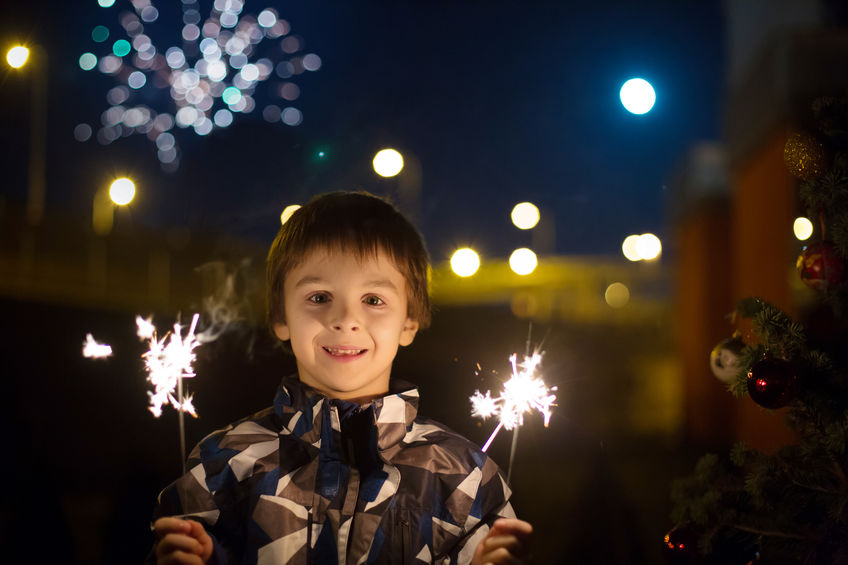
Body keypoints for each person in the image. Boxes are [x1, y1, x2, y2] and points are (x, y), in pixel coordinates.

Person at [149, 192, 532, 564]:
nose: (346, 319)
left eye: (373, 300)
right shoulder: (224, 462)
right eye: (319, 297)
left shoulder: (464, 475)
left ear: (409, 322)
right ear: (281, 317)